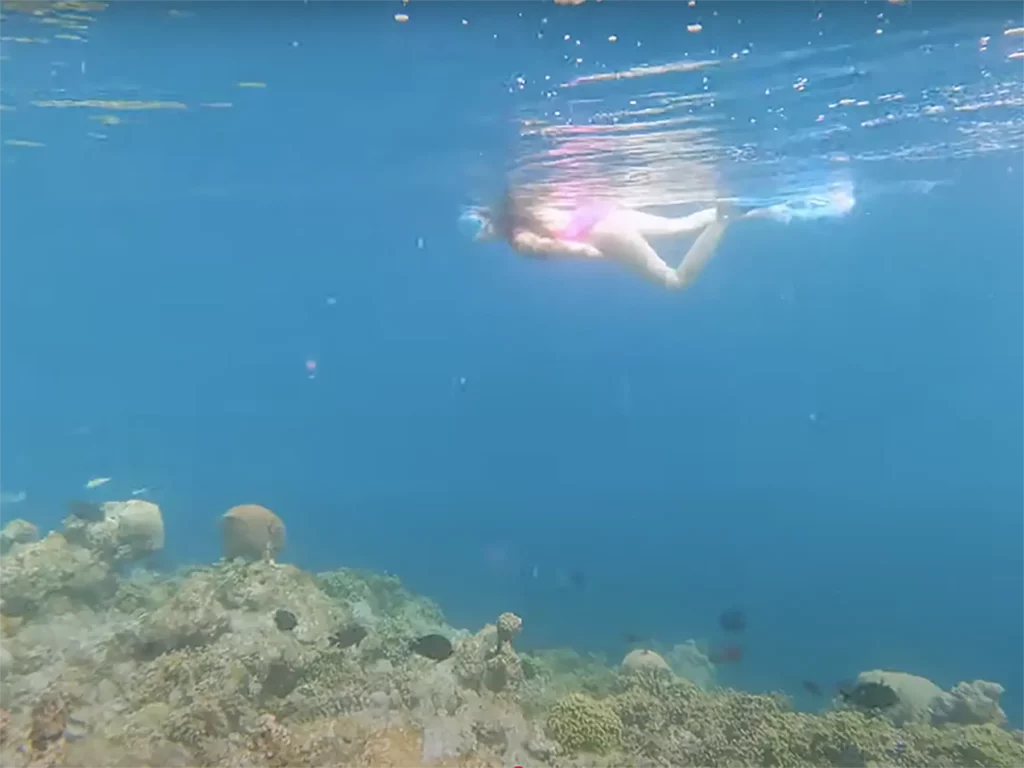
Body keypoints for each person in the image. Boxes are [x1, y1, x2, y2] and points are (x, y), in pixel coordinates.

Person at [461, 191, 768, 290]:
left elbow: (553, 247)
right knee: (681, 224)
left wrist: (595, 254)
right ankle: (748, 210)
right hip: (607, 213)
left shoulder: (520, 239)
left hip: (604, 234)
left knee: (675, 281)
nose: (481, 236)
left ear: (496, 223)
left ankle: (724, 220)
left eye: (484, 229)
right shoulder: (528, 204)